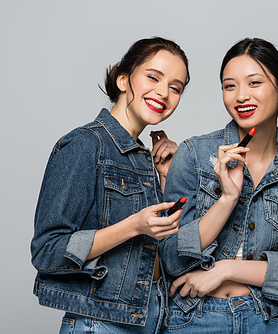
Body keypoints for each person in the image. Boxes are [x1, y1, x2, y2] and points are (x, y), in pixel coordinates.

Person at [31, 37, 190, 334]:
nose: (163, 92)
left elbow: (159, 251)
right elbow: (47, 251)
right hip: (102, 323)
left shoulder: (146, 158)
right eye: (153, 77)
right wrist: (133, 226)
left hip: (152, 317)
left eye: (175, 87)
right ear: (123, 79)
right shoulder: (85, 144)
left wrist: (167, 178)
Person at [158, 38, 278, 333]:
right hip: (194, 317)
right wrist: (227, 198)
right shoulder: (194, 155)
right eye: (229, 86)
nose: (241, 96)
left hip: (264, 320)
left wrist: (226, 269)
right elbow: (170, 257)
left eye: (254, 83)